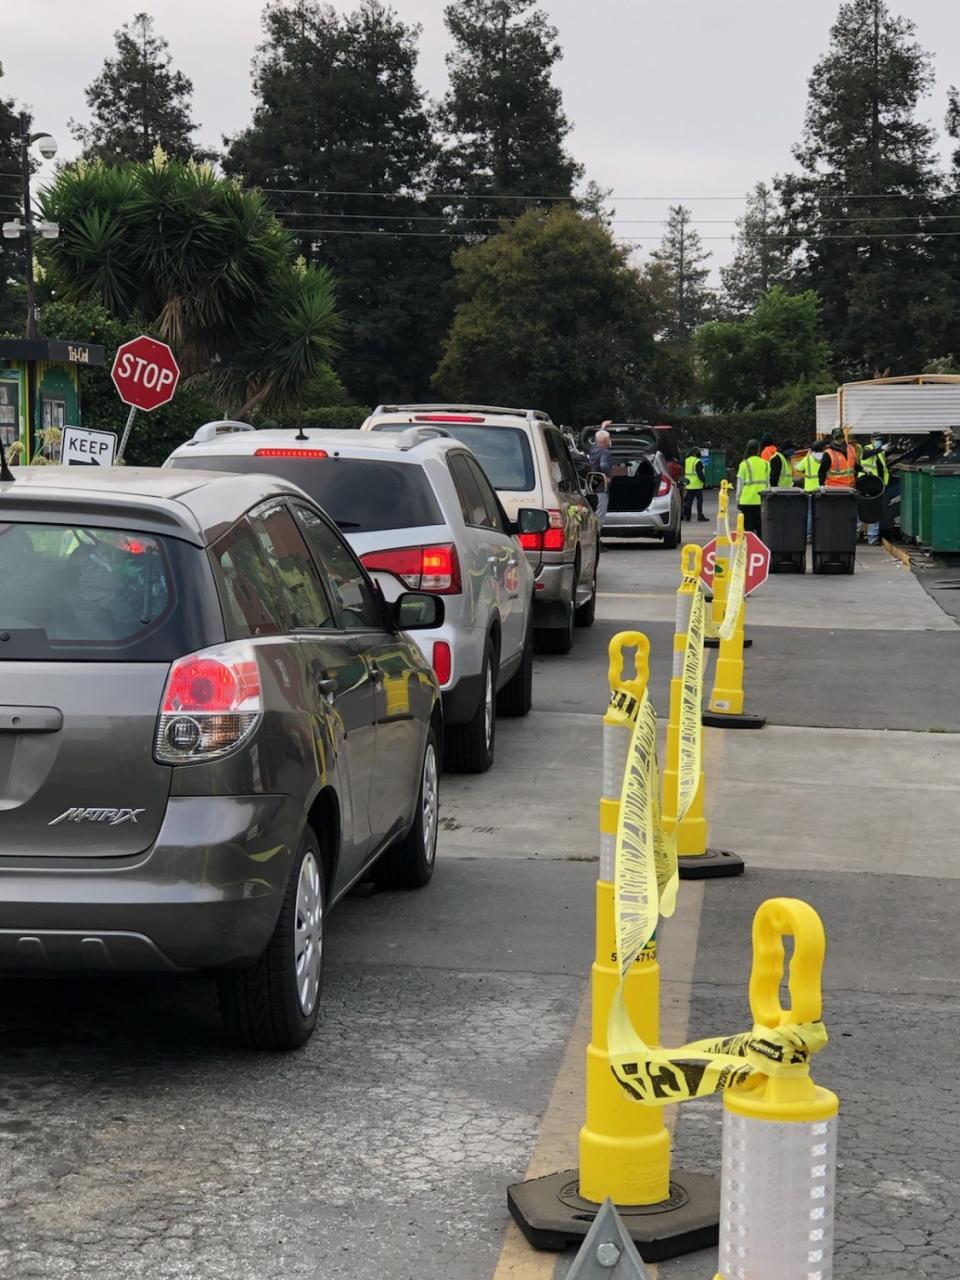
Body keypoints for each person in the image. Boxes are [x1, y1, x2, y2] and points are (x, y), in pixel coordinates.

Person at [858, 435, 890, 546]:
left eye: (880, 440)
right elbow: (865, 456)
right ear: (871, 440)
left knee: (875, 510)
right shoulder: (867, 448)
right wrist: (880, 449)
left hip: (876, 484)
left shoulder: (880, 452)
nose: (879, 441)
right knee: (862, 508)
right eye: (877, 440)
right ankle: (857, 534)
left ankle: (872, 537)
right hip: (865, 483)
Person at [736, 439, 769, 536]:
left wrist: (738, 499)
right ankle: (761, 549)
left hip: (746, 501)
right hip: (761, 501)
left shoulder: (743, 465)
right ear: (758, 450)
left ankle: (750, 549)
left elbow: (740, 485)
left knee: (748, 530)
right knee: (761, 528)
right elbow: (768, 484)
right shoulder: (766, 464)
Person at [588, 423, 613, 528]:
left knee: (594, 509)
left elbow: (598, 440)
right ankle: (596, 536)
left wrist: (602, 428)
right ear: (605, 441)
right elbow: (604, 465)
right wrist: (608, 476)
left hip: (592, 482)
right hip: (601, 483)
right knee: (600, 514)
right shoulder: (605, 452)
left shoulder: (593, 450)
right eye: (609, 439)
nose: (610, 441)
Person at [797, 443, 824, 540]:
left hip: (809, 490)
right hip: (822, 490)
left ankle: (809, 535)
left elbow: (798, 467)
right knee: (822, 513)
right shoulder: (826, 458)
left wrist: (807, 455)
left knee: (809, 513)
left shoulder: (808, 459)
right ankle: (821, 533)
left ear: (812, 450)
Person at [682, 448, 708, 521]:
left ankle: (688, 517)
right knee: (699, 501)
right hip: (697, 485)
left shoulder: (686, 460)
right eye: (698, 452)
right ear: (695, 453)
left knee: (689, 502)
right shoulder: (698, 461)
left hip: (688, 485)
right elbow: (700, 474)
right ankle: (700, 516)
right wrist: (704, 481)